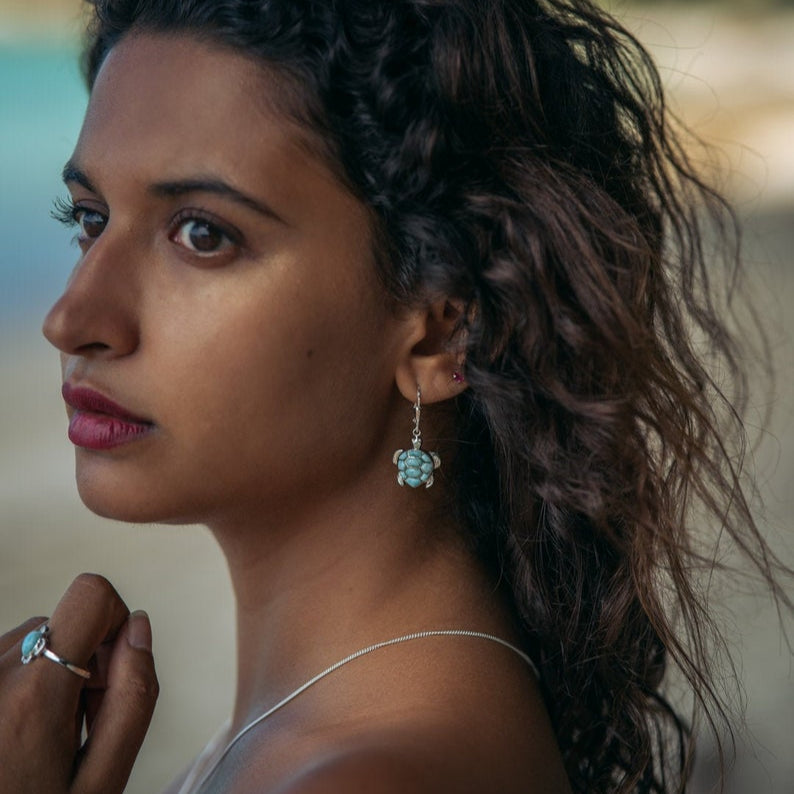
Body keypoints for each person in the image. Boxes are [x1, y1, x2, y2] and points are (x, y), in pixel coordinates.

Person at [0, 1, 788, 792]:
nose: (72, 319)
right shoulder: (323, 725)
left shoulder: (365, 774)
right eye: (91, 218)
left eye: (203, 234)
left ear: (440, 335)